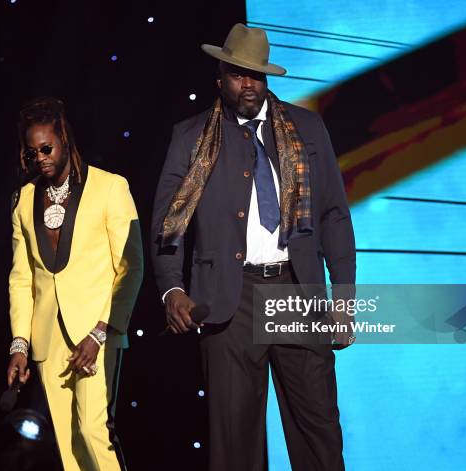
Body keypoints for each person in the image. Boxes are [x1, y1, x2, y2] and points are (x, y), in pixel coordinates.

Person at [151, 24, 356, 471]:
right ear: (220, 77)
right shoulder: (191, 137)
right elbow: (168, 225)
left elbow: (334, 216)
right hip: (230, 298)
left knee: (318, 430)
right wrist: (171, 289)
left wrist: (343, 299)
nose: (249, 84)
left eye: (257, 75)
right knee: (235, 441)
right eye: (239, 74)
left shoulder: (306, 128)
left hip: (296, 290)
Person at [6, 97, 143, 471]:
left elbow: (130, 269)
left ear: (64, 138)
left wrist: (100, 332)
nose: (41, 159)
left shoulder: (110, 187)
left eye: (46, 148)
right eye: (32, 153)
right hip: (50, 341)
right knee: (68, 445)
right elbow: (22, 278)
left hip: (97, 335)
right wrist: (20, 343)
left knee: (94, 430)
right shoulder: (24, 201)